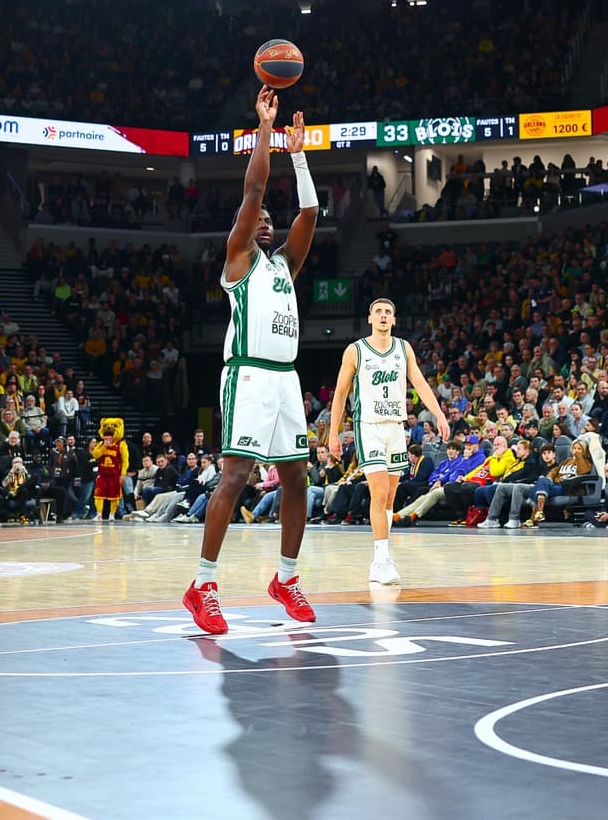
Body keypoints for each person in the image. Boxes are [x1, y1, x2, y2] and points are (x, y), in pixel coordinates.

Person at [187, 89, 317, 635]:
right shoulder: (239, 258)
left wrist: (299, 155)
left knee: (297, 480)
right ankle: (203, 585)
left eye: (268, 220)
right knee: (236, 475)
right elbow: (255, 188)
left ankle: (286, 578)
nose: (264, 221)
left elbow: (309, 212)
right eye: (256, 218)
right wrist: (265, 130)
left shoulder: (286, 264)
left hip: (285, 378)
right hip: (247, 373)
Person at [325, 298, 448, 586]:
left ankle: (381, 558)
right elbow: (341, 392)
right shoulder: (355, 350)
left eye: (388, 312)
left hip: (395, 427)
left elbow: (420, 383)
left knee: (390, 496)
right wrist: (333, 432)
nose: (383, 316)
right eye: (378, 312)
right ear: (370, 318)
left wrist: (440, 414)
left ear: (394, 319)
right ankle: (381, 559)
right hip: (368, 426)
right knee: (379, 493)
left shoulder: (404, 348)